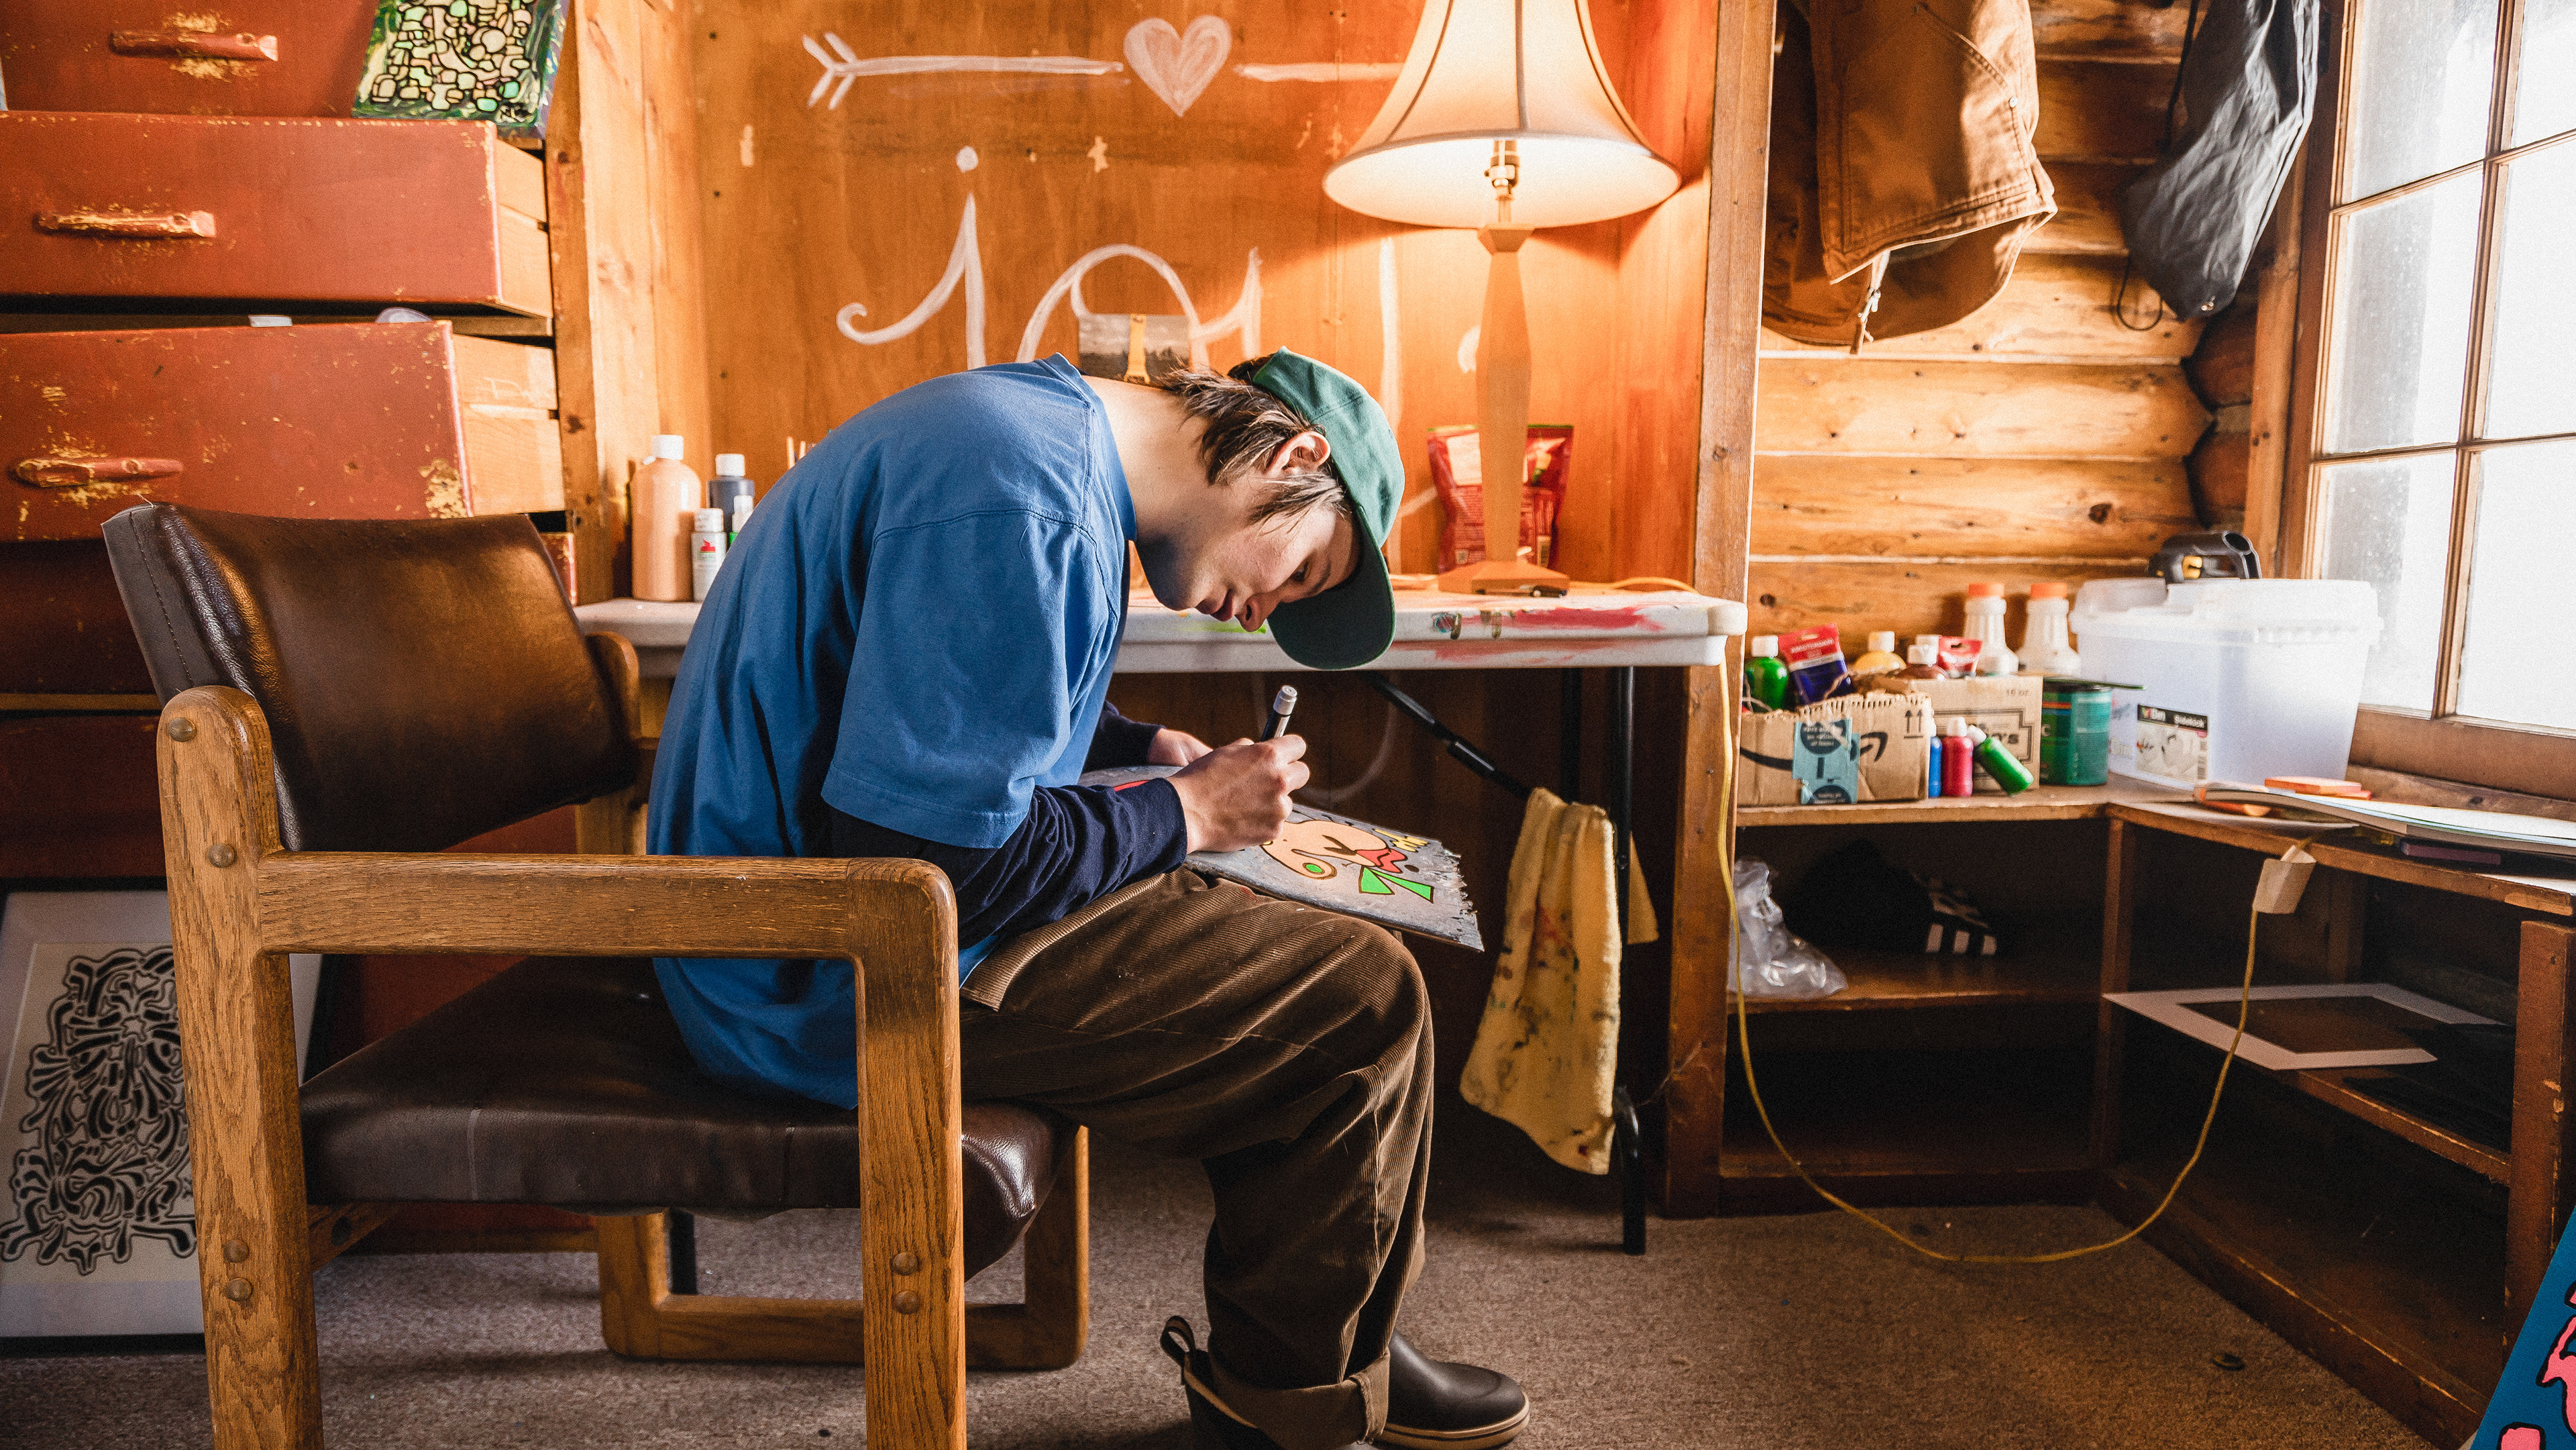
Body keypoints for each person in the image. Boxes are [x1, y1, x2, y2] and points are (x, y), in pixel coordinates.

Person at [647, 349, 1527, 1450]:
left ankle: (1333, 1339)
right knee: (1359, 999)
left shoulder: (1033, 435)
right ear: (1295, 456)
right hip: (817, 965)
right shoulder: (1021, 494)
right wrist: (1186, 813)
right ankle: (1292, 1394)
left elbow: (951, 701)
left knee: (1270, 952)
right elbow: (930, 863)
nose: (1267, 616)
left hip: (802, 917)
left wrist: (1136, 748)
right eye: (1300, 572)